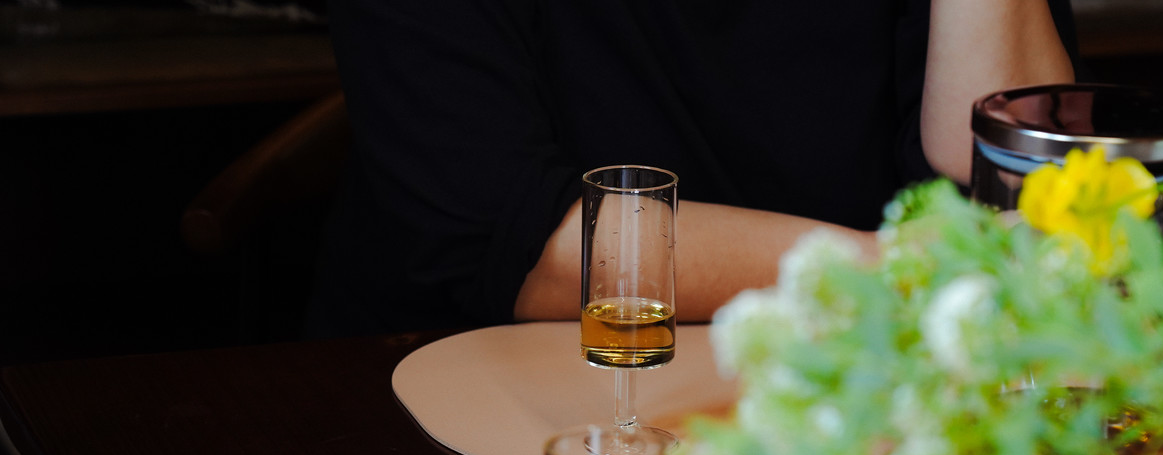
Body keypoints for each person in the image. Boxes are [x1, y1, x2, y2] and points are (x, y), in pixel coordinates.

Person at [308, 0, 1077, 337]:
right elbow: (516, 243)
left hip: (843, 404)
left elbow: (1002, 168)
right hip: (479, 418)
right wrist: (900, 272)